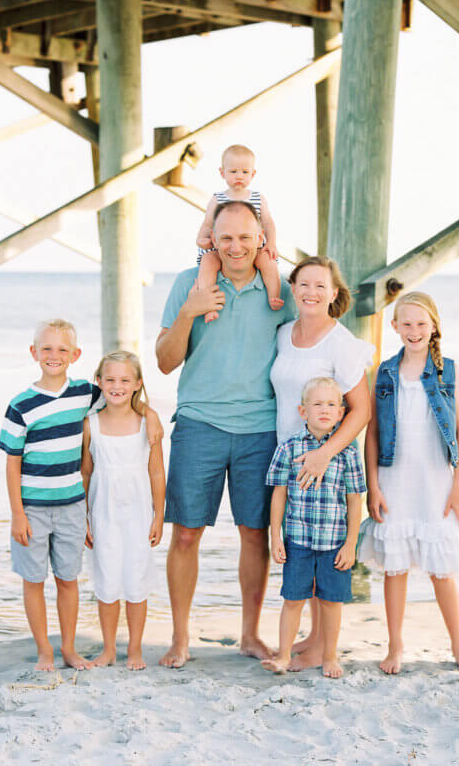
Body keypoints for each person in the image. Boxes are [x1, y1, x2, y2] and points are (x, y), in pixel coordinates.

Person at [156, 199, 296, 668]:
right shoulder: (188, 284)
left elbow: (312, 343)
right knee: (186, 536)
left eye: (244, 237)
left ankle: (250, 636)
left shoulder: (282, 294)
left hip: (261, 428)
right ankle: (180, 638)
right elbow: (164, 360)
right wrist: (190, 312)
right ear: (211, 239)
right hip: (199, 423)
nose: (235, 247)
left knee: (255, 535)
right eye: (226, 238)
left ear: (261, 239)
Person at [358, 291, 459, 673]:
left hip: (436, 480)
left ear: (434, 327)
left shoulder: (449, 371)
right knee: (396, 567)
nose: (414, 331)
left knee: (442, 567)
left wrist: (458, 488)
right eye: (406, 324)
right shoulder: (385, 372)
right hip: (395, 478)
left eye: (421, 324)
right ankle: (395, 646)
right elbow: (373, 433)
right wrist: (373, 486)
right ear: (394, 327)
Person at [269, 255, 372, 670]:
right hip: (289, 454)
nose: (311, 292)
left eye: (320, 286)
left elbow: (360, 410)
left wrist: (325, 454)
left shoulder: (342, 344)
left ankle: (317, 644)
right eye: (303, 284)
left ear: (333, 294)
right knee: (300, 545)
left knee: (324, 548)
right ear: (292, 288)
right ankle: (308, 640)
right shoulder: (281, 334)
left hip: (324, 459)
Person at [0, 318, 99, 672]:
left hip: (72, 506)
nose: (53, 356)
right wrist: (17, 514)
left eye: (61, 349)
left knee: (68, 579)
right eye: (46, 348)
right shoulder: (21, 405)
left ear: (75, 354)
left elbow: (124, 395)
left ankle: (69, 649)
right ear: (33, 352)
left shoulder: (86, 393)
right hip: (33, 510)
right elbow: (12, 464)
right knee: (34, 580)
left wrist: (148, 416)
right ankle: (44, 651)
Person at [263, 377, 365, 679]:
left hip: (334, 542)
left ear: (341, 412)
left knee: (332, 601)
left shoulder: (347, 451)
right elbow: (279, 493)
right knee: (293, 598)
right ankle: (282, 655)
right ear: (302, 411)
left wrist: (351, 544)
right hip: (298, 540)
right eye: (317, 404)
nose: (324, 409)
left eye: (331, 404)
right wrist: (275, 536)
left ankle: (329, 657)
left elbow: (355, 500)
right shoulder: (289, 447)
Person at [81, 350, 166, 670]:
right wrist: (84, 517)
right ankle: (108, 649)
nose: (117, 386)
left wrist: (159, 514)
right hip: (103, 513)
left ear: (138, 384)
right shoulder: (91, 424)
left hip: (138, 511)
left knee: (136, 579)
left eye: (125, 380)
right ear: (99, 381)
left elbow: (157, 471)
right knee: (106, 579)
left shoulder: (147, 423)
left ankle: (134, 649)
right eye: (110, 379)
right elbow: (86, 473)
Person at [195, 144, 282, 321]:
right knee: (207, 264)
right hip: (219, 247)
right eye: (233, 171)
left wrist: (271, 243)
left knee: (268, 262)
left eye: (244, 172)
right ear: (222, 173)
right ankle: (208, 304)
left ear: (253, 174)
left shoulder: (258, 198)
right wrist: (201, 239)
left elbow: (268, 223)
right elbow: (207, 224)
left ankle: (274, 296)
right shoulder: (217, 199)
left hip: (253, 247)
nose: (239, 177)